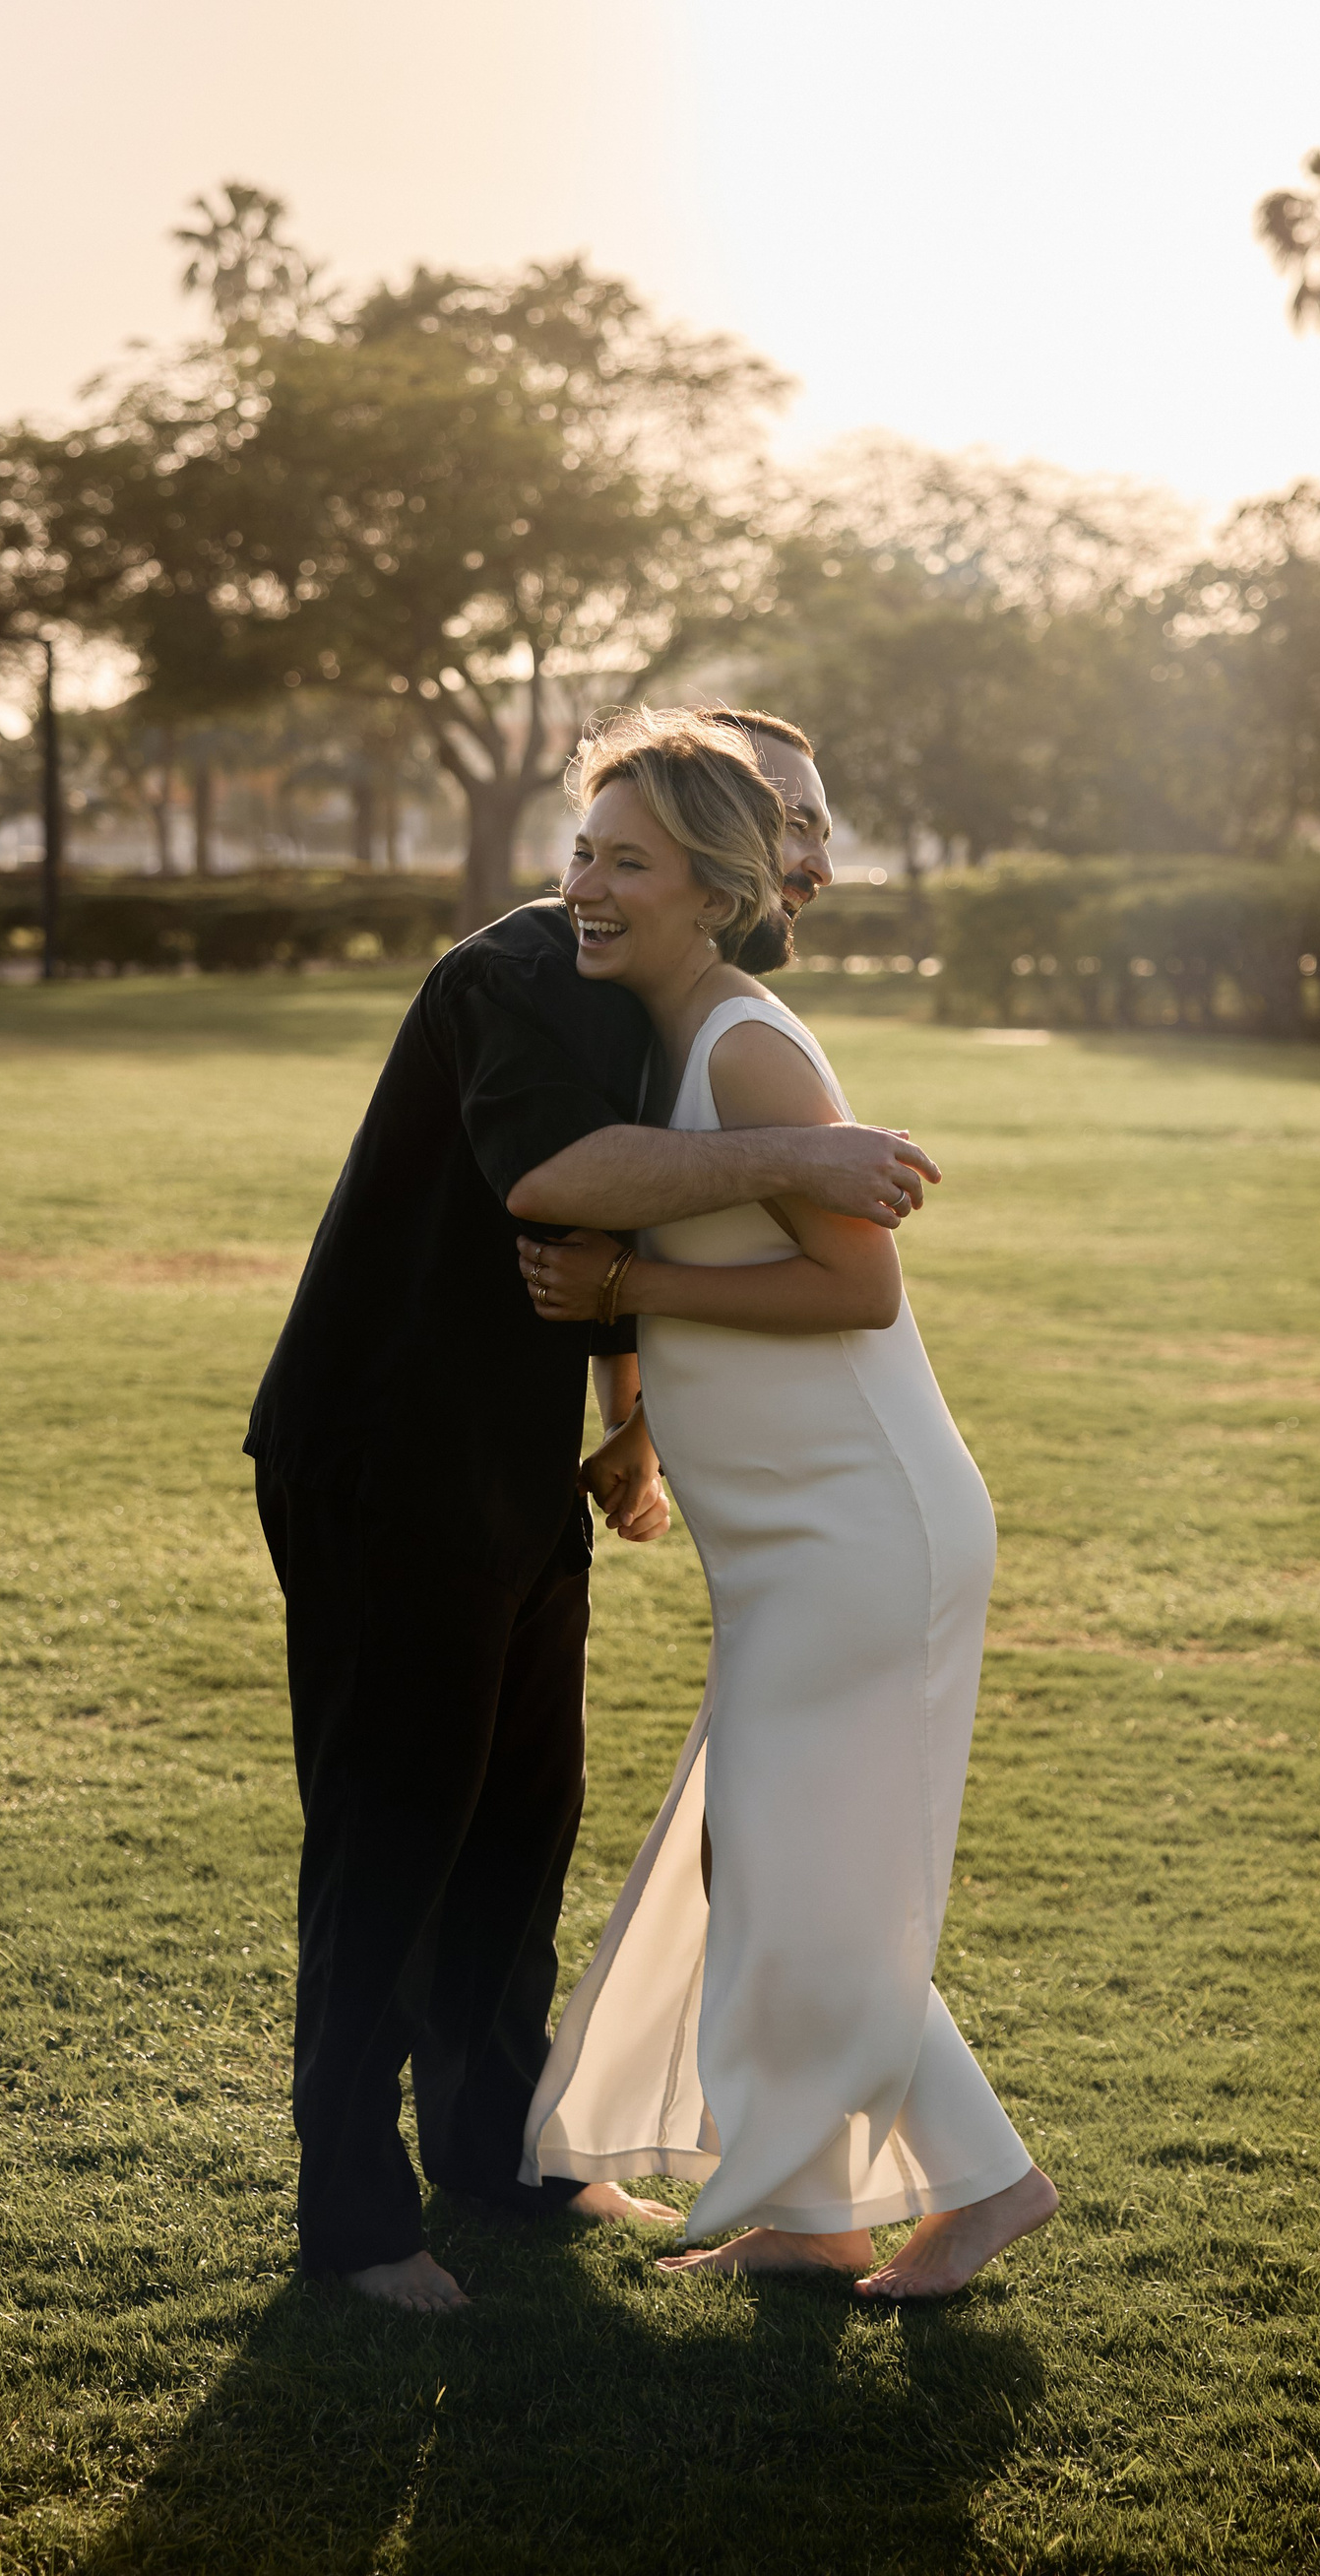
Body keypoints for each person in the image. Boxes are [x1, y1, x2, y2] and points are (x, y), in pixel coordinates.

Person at [244, 756, 941, 2313]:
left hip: (506, 1457)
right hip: (383, 1451)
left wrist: (631, 1420)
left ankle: (499, 2152)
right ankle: (353, 2220)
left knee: (520, 1822)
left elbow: (618, 1232)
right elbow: (557, 1180)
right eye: (791, 818)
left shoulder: (661, 995)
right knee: (393, 1831)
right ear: (722, 844)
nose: (813, 855)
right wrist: (803, 1155)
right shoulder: (522, 970)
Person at [518, 708, 1058, 2301]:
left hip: (861, 1531)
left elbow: (855, 1288)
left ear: (711, 889)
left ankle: (989, 2184)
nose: (585, 888)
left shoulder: (746, 1045)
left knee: (787, 1873)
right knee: (763, 1868)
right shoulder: (667, 1036)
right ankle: (819, 2216)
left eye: (627, 864)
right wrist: (640, 1424)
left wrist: (626, 1287)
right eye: (581, 855)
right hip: (790, 1543)